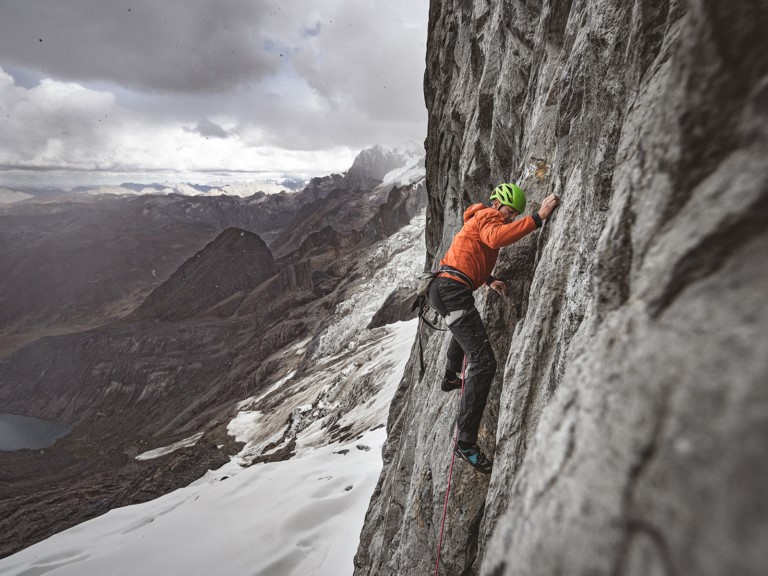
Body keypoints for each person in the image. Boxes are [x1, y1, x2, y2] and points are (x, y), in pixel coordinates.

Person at [428, 182, 560, 473]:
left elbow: (473, 253)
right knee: (484, 363)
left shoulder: (481, 219)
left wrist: (489, 279)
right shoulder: (488, 216)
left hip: (447, 287)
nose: (510, 218)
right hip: (451, 290)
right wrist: (538, 218)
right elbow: (495, 239)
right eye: (510, 212)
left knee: (466, 329)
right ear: (497, 204)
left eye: (514, 215)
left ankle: (451, 376)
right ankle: (465, 443)